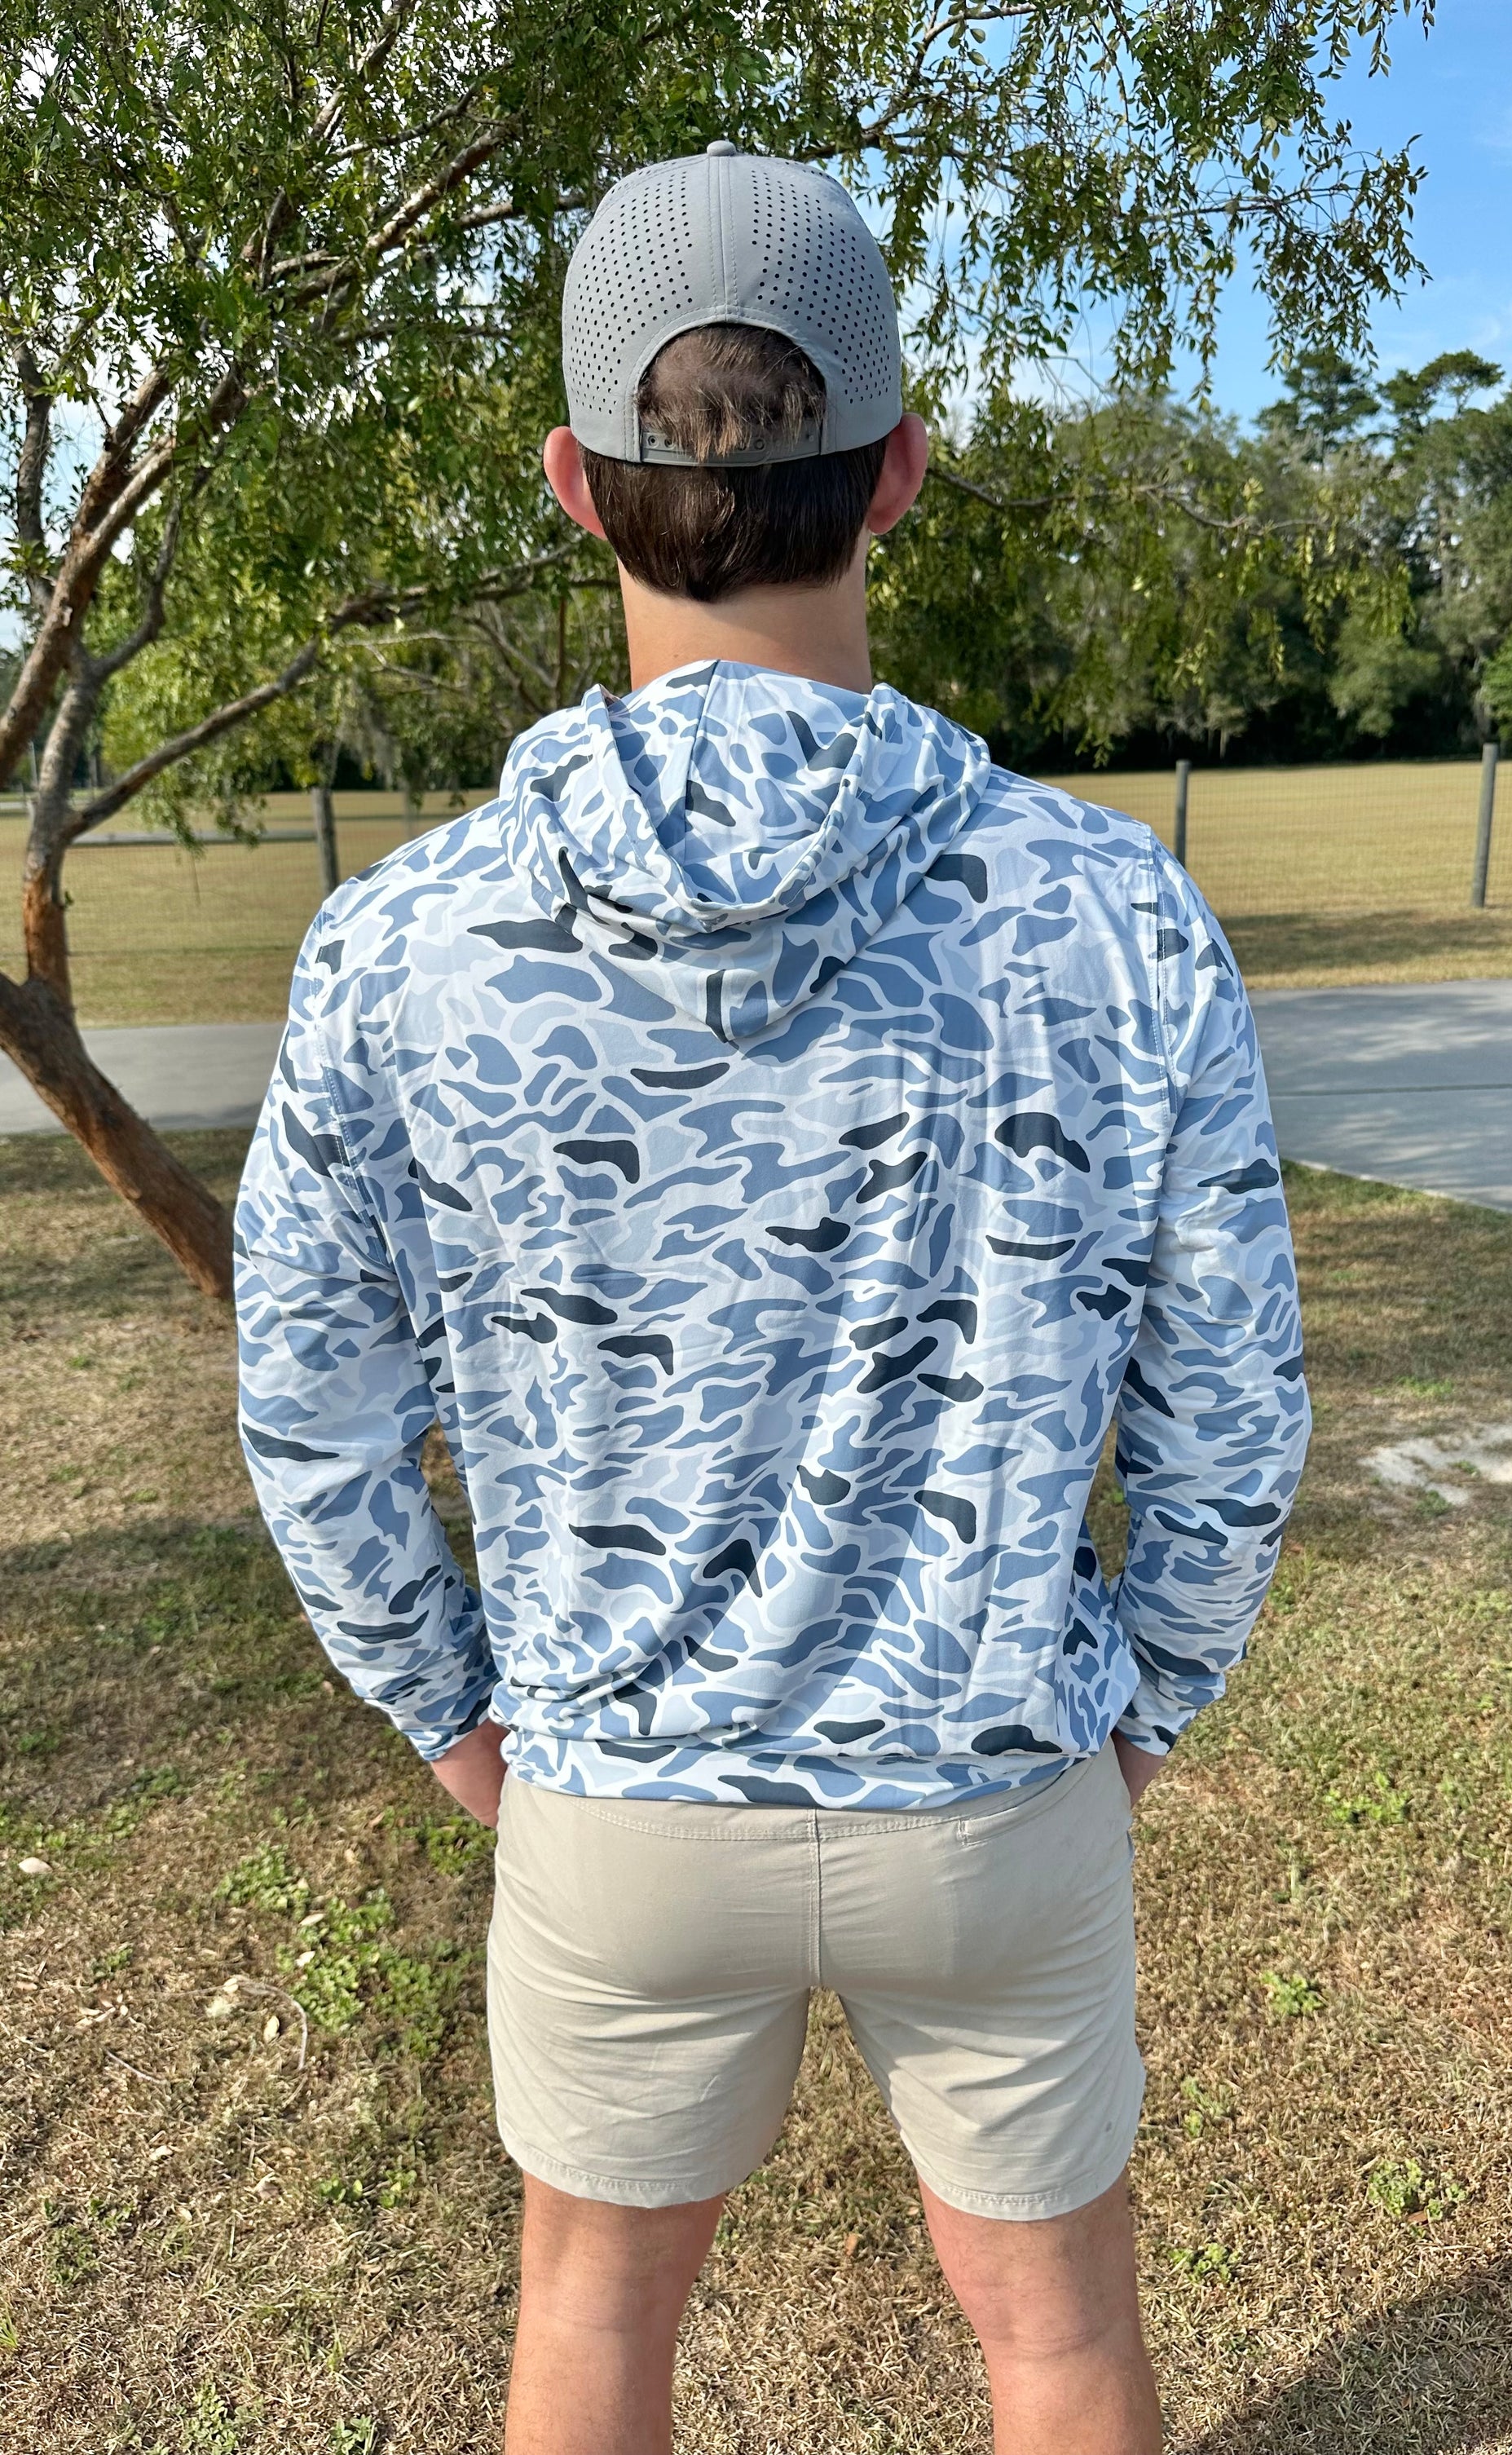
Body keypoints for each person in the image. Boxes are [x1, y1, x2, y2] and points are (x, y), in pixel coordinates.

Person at [235, 144, 1310, 2455]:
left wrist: (457, 1720)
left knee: (591, 2326)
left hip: (615, 1804)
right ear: (896, 469)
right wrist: (1139, 1707)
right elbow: (1232, 1390)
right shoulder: (1110, 912)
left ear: (572, 484)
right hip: (994, 1789)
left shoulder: (398, 947)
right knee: (1058, 2341)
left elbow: (313, 1408)